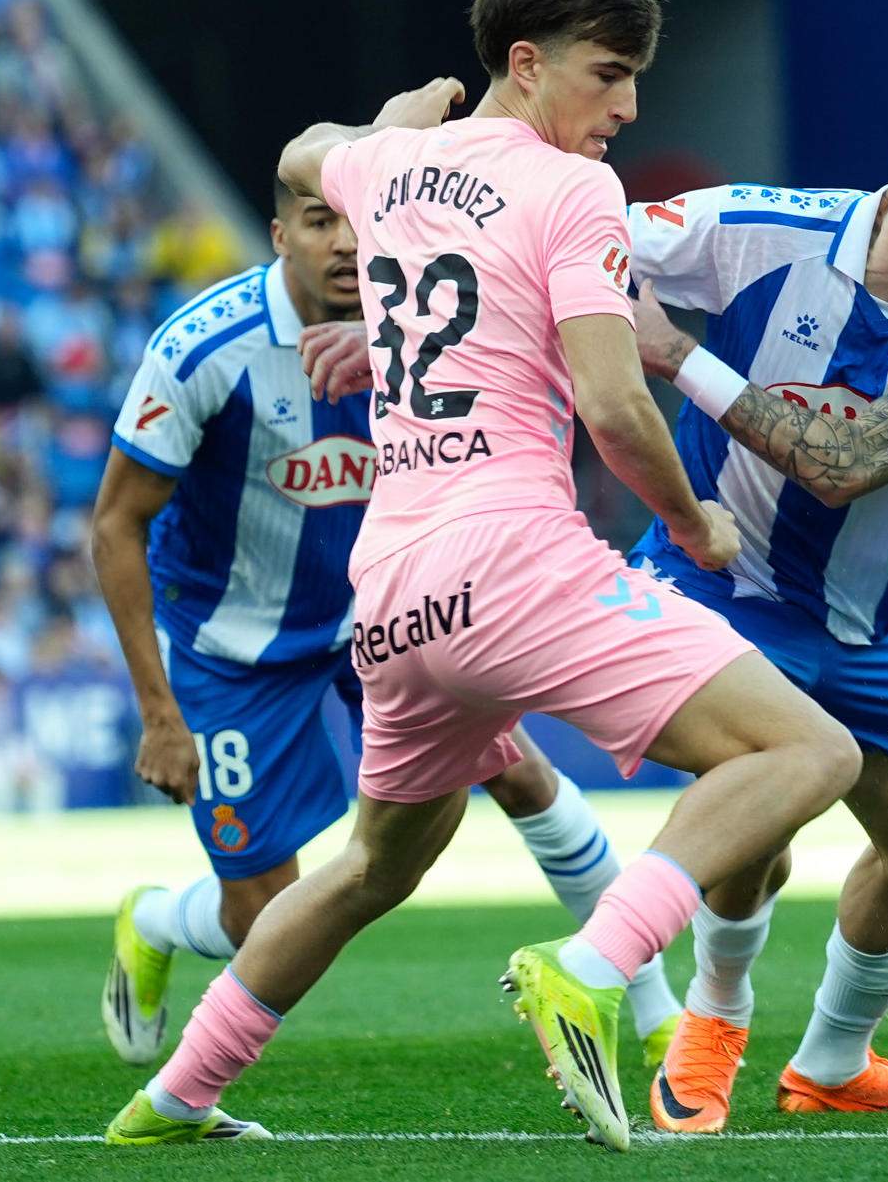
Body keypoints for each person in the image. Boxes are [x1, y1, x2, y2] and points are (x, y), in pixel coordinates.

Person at [102, 0, 857, 1153]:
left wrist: (400, 117)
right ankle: (596, 969)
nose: (627, 107)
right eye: (608, 74)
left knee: (368, 871)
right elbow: (614, 408)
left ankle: (173, 1100)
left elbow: (309, 153)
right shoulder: (572, 191)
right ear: (525, 60)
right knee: (806, 754)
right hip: (513, 557)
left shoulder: (389, 165)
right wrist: (690, 520)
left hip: (392, 589)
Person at [92, 176, 685, 1079]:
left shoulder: (423, 316)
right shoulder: (204, 348)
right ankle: (160, 918)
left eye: (358, 224)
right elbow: (115, 524)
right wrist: (159, 711)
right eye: (319, 222)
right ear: (279, 231)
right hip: (234, 647)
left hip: (382, 613)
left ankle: (654, 1010)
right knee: (263, 915)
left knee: (519, 769)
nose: (341, 244)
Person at [620, 85, 888, 1130]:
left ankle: (832, 1063)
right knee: (760, 798)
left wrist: (676, 353)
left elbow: (845, 466)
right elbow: (568, 243)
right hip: (711, 580)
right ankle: (712, 1024)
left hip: (857, 621)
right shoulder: (754, 229)